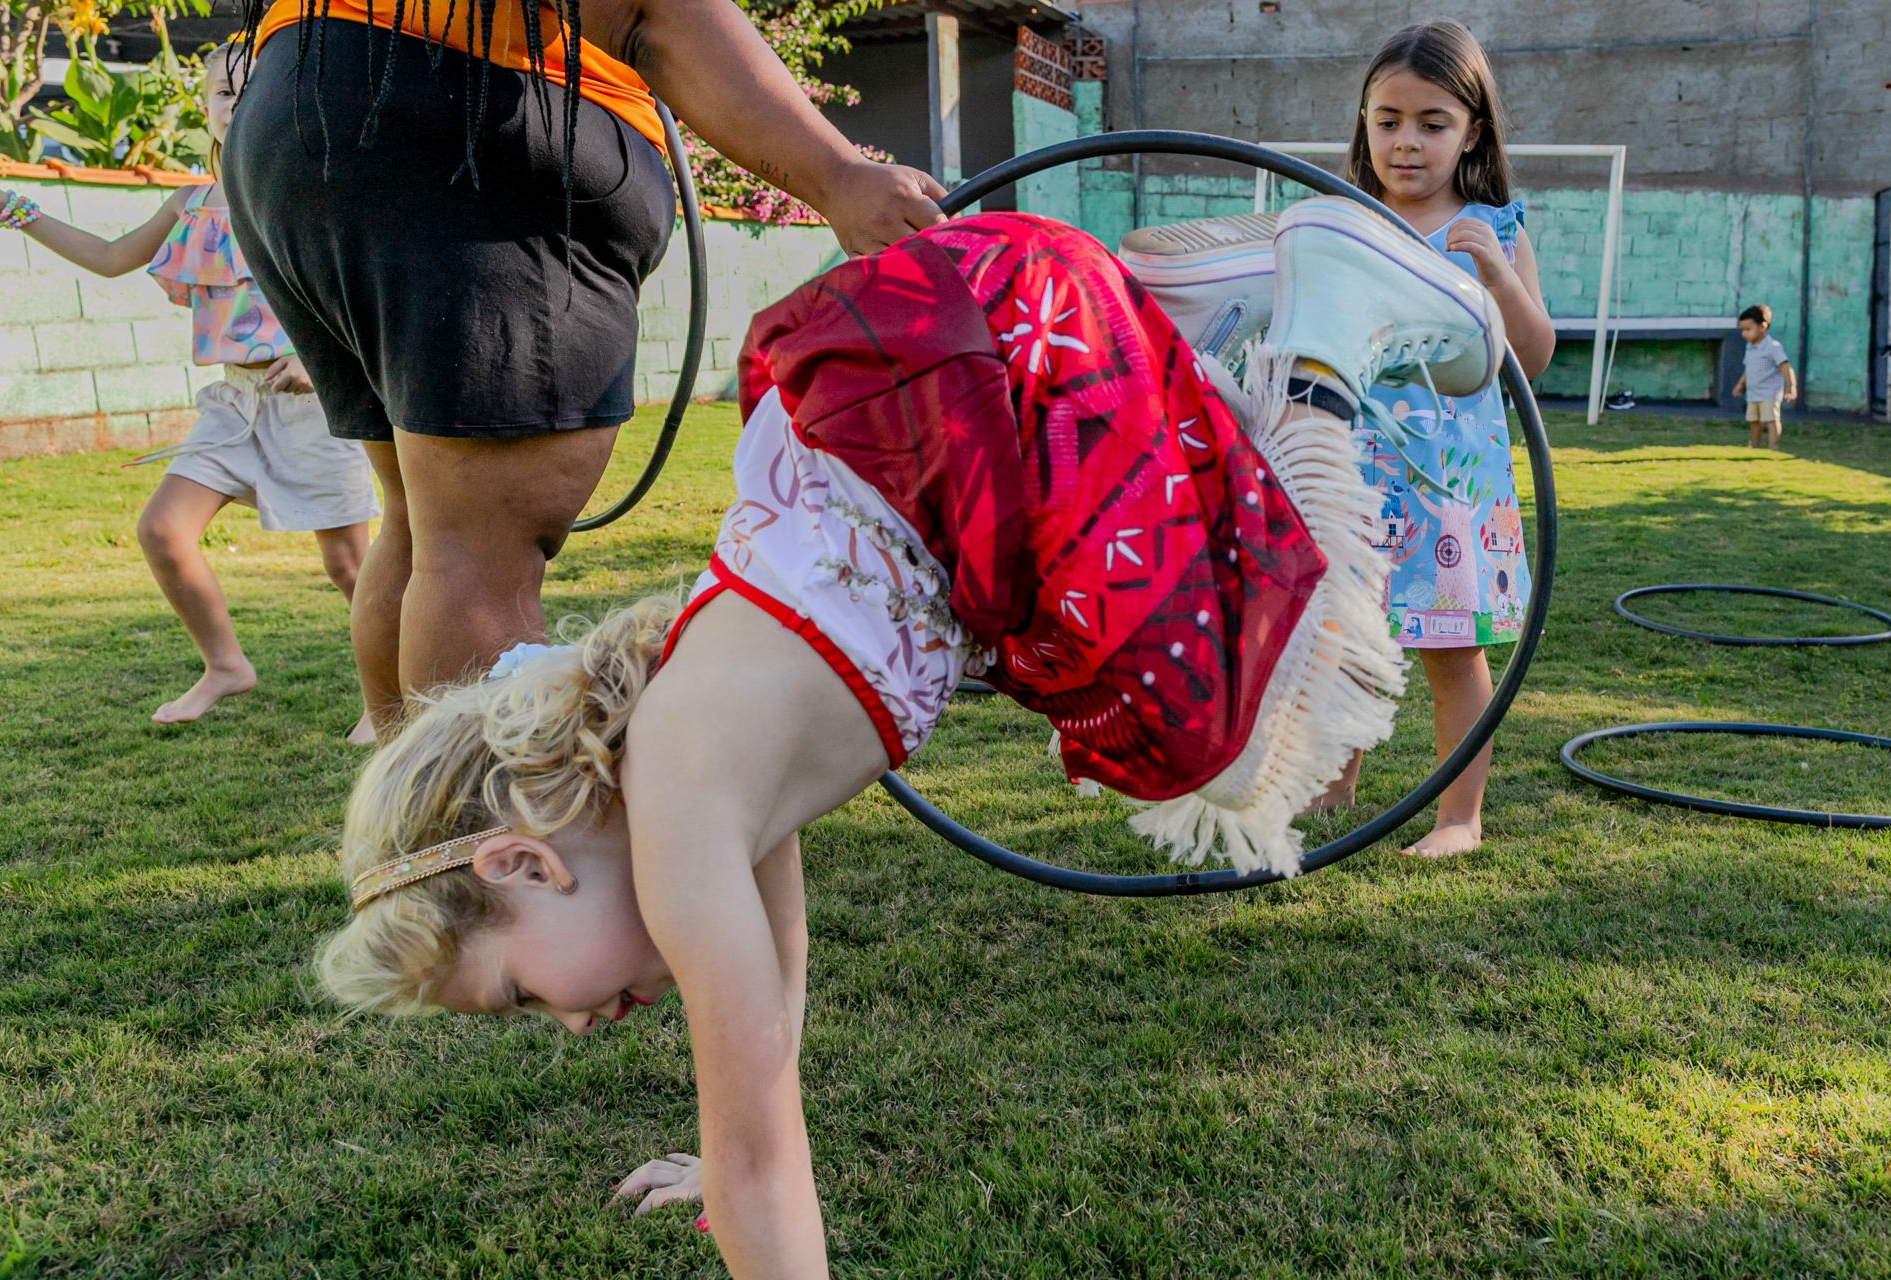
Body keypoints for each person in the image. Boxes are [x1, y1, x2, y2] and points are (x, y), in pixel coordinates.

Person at [308, 200, 1505, 1276]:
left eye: (521, 993)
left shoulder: (678, 801)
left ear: (523, 861)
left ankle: (1322, 343)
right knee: (1183, 688)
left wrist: (741, 1181)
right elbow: (768, 1021)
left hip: (982, 402)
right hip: (984, 384)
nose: (570, 1024)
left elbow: (763, 1157)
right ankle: (1201, 319)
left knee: (1218, 733)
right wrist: (724, 1182)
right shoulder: (696, 783)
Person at [224, 0, 951, 733]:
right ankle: (479, 844)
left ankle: (407, 835)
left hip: (305, 107)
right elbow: (650, 10)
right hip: (469, 122)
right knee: (481, 551)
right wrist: (838, 175)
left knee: (424, 528)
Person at [0, 47, 378, 738]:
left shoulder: (312, 185)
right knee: (164, 531)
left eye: (251, 89)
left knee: (352, 565)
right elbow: (110, 259)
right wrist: (9, 206)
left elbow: (362, 288)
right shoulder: (190, 204)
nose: (236, 102)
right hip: (234, 406)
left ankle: (390, 696)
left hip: (315, 405)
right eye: (223, 92)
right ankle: (225, 666)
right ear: (206, 109)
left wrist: (324, 363)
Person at [1293, 19, 1553, 857]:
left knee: (1451, 652)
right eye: (1388, 120)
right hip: (1355, 478)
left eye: (1432, 123)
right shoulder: (1342, 223)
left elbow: (1535, 358)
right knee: (1344, 641)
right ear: (1364, 122)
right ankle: (1336, 785)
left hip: (1450, 486)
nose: (1407, 142)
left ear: (1471, 131)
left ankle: (1458, 818)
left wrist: (1500, 276)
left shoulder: (1496, 229)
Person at [1733, 304, 1797, 449]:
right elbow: (1748, 369)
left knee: (1771, 420)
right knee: (1753, 421)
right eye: (1742, 330)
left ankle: (1773, 447)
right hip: (1753, 392)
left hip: (1770, 392)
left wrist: (1791, 387)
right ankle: (1755, 446)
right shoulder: (1750, 347)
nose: (1744, 333)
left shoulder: (1772, 347)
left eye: (1748, 329)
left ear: (1762, 326)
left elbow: (1785, 367)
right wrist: (1740, 384)